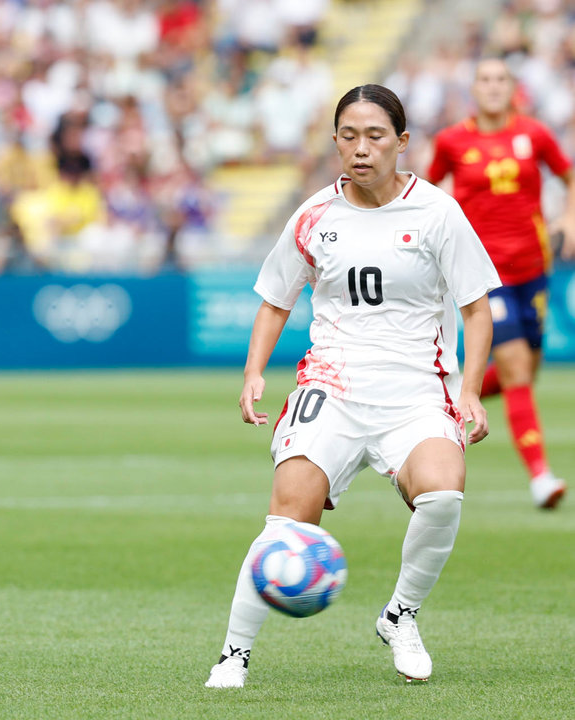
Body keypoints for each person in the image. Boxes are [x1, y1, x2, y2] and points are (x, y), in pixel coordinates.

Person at [205, 85, 499, 689]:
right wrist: (254, 370)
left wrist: (469, 390)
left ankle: (401, 615)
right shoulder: (314, 214)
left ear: (402, 142)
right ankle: (234, 654)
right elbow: (274, 300)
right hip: (333, 386)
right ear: (335, 140)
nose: (360, 149)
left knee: (443, 495)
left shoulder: (438, 212)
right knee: (289, 511)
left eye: (374, 136)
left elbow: (476, 310)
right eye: (348, 136)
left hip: (417, 390)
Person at [427, 57, 574, 509]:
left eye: (501, 80)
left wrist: (568, 217)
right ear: (474, 88)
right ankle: (541, 477)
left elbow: (569, 176)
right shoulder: (452, 140)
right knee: (513, 365)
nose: (493, 87)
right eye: (485, 79)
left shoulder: (534, 134)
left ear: (512, 88)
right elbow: (426, 193)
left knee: (524, 372)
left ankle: (450, 397)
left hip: (534, 267)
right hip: (483, 275)